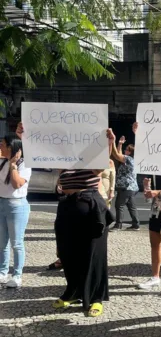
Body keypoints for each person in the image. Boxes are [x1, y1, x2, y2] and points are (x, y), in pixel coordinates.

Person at [16, 123, 115, 317]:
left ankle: (95, 298)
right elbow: (40, 153)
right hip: (67, 208)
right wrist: (24, 138)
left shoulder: (91, 161)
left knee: (92, 254)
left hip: (91, 209)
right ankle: (73, 291)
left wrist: (108, 144)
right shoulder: (64, 162)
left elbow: (99, 167)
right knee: (67, 253)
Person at [0, 135, 31, 288]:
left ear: (12, 148)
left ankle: (17, 275)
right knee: (2, 242)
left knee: (16, 243)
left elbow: (17, 184)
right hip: (1, 203)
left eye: (3, 144)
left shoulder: (24, 164)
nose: (1, 146)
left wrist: (13, 165)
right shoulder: (2, 162)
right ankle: (2, 271)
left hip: (16, 206)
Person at [138, 175, 161, 290]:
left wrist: (158, 192)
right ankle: (155, 276)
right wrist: (147, 187)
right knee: (155, 244)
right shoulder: (154, 171)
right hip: (156, 210)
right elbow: (148, 197)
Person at [110, 135, 140, 231]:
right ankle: (136, 224)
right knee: (131, 206)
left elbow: (116, 155)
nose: (125, 151)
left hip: (126, 187)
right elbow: (119, 155)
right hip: (131, 187)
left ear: (131, 152)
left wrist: (114, 142)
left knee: (119, 205)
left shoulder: (129, 159)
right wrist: (120, 144)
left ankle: (118, 225)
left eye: (127, 149)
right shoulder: (132, 160)